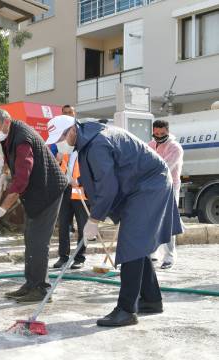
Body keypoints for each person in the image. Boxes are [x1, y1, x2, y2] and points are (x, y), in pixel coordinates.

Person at [45, 116, 182, 327]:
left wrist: (94, 219)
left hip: (150, 187)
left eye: (60, 137)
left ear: (72, 130)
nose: (59, 143)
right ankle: (152, 300)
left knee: (131, 245)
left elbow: (108, 187)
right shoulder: (90, 139)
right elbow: (105, 173)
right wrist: (81, 181)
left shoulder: (97, 143)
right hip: (141, 185)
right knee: (137, 245)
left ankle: (126, 310)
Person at [0, 108, 68, 303]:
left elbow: (22, 179)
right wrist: (5, 172)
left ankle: (41, 289)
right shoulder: (8, 134)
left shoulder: (22, 140)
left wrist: (2, 209)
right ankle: (31, 283)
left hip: (48, 191)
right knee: (30, 237)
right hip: (36, 191)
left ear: (7, 122)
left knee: (38, 241)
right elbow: (8, 155)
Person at [52, 119, 88, 269]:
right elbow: (57, 169)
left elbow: (90, 170)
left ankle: (80, 257)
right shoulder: (64, 149)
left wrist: (79, 181)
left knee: (82, 225)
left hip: (81, 190)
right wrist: (57, 160)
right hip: (66, 189)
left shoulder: (85, 150)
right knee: (63, 224)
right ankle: (63, 256)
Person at [148, 119, 184, 269]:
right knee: (153, 219)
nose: (159, 136)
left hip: (170, 187)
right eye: (156, 133)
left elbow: (164, 167)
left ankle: (170, 256)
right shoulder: (150, 145)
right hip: (153, 187)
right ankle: (154, 252)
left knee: (168, 221)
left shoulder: (175, 148)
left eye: (162, 133)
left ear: (167, 132)